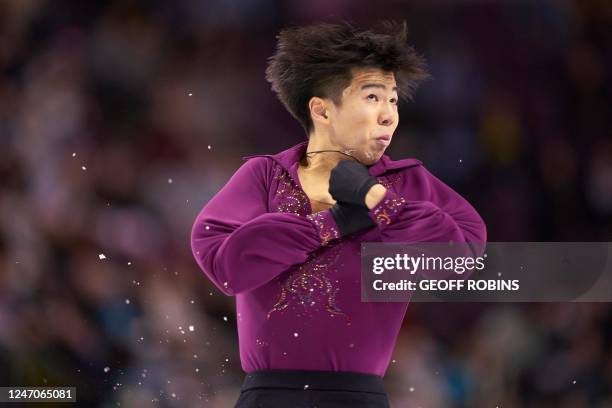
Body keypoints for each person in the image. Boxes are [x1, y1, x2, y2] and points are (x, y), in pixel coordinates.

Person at [191, 21, 487, 407]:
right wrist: (332, 224)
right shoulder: (265, 176)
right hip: (269, 397)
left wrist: (377, 199)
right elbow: (224, 265)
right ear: (322, 109)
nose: (388, 115)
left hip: (358, 398)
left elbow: (462, 257)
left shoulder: (405, 183)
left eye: (393, 100)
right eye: (372, 97)